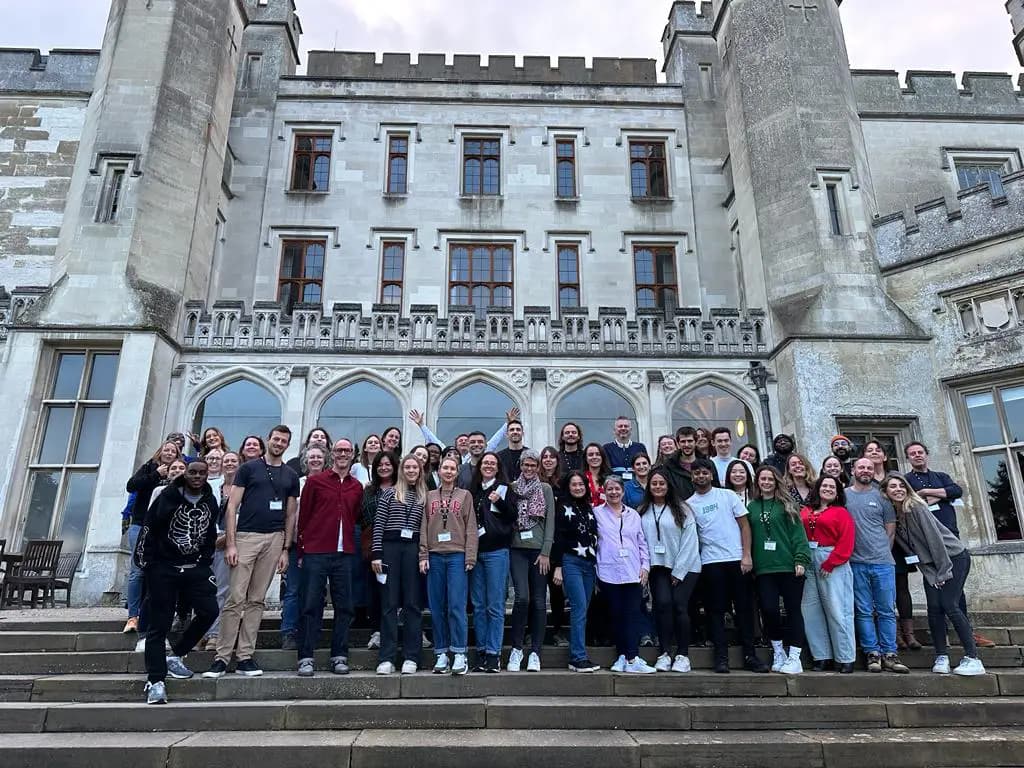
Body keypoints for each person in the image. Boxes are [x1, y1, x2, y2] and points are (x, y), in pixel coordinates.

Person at [204, 425, 300, 679]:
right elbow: (232, 505)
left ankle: (245, 655)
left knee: (256, 600)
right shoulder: (248, 468)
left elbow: (291, 514)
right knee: (235, 598)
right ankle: (222, 657)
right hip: (246, 536)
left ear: (288, 445)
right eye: (276, 439)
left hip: (275, 539)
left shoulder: (290, 475)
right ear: (268, 439)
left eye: (284, 441)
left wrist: (285, 549)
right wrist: (232, 543)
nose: (279, 443)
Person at [882, 473, 986, 676]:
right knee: (934, 609)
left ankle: (973, 658)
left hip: (952, 558)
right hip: (933, 566)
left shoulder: (916, 507)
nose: (898, 489)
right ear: (885, 492)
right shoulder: (896, 516)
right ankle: (941, 656)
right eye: (892, 487)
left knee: (949, 605)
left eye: (901, 486)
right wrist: (930, 574)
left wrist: (943, 572)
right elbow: (914, 552)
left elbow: (935, 541)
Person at [136, 460, 219, 705]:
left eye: (202, 473)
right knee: (159, 625)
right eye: (192, 472)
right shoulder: (167, 497)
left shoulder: (210, 501)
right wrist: (145, 563)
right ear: (185, 473)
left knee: (209, 611)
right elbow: (149, 529)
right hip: (163, 567)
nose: (197, 476)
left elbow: (210, 533)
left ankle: (178, 654)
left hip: (195, 566)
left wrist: (205, 560)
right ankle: (156, 680)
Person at [904, 441, 994, 649]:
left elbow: (956, 490)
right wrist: (932, 496)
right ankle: (941, 635)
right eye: (912, 453)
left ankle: (967, 634)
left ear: (926, 455)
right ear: (908, 458)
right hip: (929, 544)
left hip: (951, 539)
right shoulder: (907, 480)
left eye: (920, 452)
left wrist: (927, 492)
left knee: (956, 590)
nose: (917, 456)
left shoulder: (940, 476)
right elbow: (914, 502)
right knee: (934, 588)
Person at [687, 458, 767, 673]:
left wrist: (747, 555)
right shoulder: (690, 504)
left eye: (704, 472)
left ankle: (750, 656)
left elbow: (744, 525)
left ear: (711, 475)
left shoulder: (728, 496)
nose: (701, 476)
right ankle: (721, 658)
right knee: (715, 611)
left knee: (743, 610)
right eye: (697, 473)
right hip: (711, 563)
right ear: (692, 477)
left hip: (737, 560)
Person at [294, 439, 362, 677]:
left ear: (353, 455)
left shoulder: (356, 486)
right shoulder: (315, 482)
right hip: (316, 551)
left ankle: (339, 655)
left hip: (344, 554)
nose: (343, 454)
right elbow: (304, 517)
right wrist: (301, 550)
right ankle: (305, 657)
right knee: (311, 605)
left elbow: (355, 517)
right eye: (339, 450)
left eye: (347, 450)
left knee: (345, 606)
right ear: (332, 454)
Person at [846, 457, 908, 674]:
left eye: (869, 468)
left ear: (874, 471)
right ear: (853, 470)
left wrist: (881, 551)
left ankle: (890, 654)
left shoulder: (882, 496)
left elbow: (890, 530)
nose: (865, 470)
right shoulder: (844, 495)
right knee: (863, 611)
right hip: (855, 562)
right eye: (861, 467)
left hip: (883, 563)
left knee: (887, 611)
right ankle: (872, 653)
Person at [748, 466, 811, 675]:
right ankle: (778, 651)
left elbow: (798, 535)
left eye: (770, 479)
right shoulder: (752, 507)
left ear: (776, 481)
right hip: (764, 569)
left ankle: (794, 656)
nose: (766, 482)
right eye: (762, 479)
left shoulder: (788, 505)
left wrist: (800, 558)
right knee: (769, 610)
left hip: (789, 565)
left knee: (793, 610)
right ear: (757, 482)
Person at [639, 467, 700, 673]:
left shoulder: (683, 510)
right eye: (654, 483)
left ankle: (683, 654)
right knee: (662, 605)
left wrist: (679, 571)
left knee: (679, 606)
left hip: (686, 565)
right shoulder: (642, 510)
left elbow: (691, 542)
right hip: (658, 566)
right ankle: (665, 652)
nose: (658, 487)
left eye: (661, 483)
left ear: (668, 486)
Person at [371, 454, 428, 675]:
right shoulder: (389, 493)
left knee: (413, 604)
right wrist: (377, 553)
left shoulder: (425, 496)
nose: (412, 470)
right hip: (389, 548)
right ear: (402, 470)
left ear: (420, 471)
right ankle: (387, 657)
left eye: (415, 467)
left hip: (413, 549)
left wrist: (424, 555)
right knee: (389, 603)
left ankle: (411, 657)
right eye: (408, 467)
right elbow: (378, 524)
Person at [594, 475, 655, 674]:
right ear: (604, 491)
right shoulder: (597, 513)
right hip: (608, 571)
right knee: (617, 615)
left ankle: (633, 656)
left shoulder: (633, 515)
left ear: (622, 491)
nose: (613, 493)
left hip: (632, 570)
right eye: (609, 489)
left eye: (617, 489)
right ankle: (622, 656)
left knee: (632, 614)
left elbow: (642, 543)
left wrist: (645, 566)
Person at [421, 456, 477, 675]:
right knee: (437, 608)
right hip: (434, 556)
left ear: (457, 472)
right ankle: (441, 652)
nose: (448, 471)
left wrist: (470, 556)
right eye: (445, 467)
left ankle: (459, 653)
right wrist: (422, 555)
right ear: (439, 471)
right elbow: (424, 526)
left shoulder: (465, 496)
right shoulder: (428, 496)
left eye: (452, 468)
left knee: (456, 606)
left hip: (457, 555)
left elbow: (471, 527)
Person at [123, 440, 182, 634]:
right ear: (160, 451)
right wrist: (156, 474)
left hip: (166, 531)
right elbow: (131, 486)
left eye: (173, 451)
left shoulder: (180, 475)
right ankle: (133, 616)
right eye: (166, 449)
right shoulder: (149, 467)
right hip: (141, 525)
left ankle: (155, 615)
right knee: (138, 571)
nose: (169, 452)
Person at [800, 475, 857, 673]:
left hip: (831, 558)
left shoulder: (841, 512)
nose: (828, 489)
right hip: (809, 558)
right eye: (824, 485)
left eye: (832, 486)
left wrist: (832, 562)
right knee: (811, 610)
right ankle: (821, 656)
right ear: (817, 488)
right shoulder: (806, 510)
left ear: (838, 491)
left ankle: (845, 657)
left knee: (837, 609)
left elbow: (847, 541)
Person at [507, 449, 555, 672]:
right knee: (521, 598)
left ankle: (535, 651)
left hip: (538, 552)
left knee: (538, 601)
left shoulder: (545, 489)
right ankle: (516, 649)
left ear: (538, 467)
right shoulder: (512, 488)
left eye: (533, 465)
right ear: (520, 466)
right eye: (525, 465)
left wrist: (546, 551)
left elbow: (550, 523)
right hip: (517, 549)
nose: (529, 469)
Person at [468, 451, 516, 672]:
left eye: (492, 463)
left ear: (498, 468)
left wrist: (502, 503)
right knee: (478, 606)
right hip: (475, 552)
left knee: (495, 605)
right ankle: (480, 652)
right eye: (485, 463)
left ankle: (493, 654)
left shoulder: (505, 489)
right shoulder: (474, 490)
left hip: (497, 551)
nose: (488, 466)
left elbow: (513, 516)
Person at [551, 471, 601, 672]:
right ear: (568, 487)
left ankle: (579, 654)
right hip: (571, 562)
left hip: (589, 564)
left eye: (581, 484)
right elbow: (559, 537)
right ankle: (578, 657)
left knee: (584, 609)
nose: (578, 488)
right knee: (579, 607)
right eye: (574, 485)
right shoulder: (562, 507)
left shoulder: (588, 507)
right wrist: (559, 566)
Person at [280, 444, 327, 651]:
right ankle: (289, 631)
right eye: (311, 457)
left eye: (319, 457)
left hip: (322, 546)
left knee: (317, 591)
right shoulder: (296, 483)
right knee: (293, 590)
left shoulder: (330, 483)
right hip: (297, 544)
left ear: (325, 460)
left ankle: (313, 631)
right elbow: (289, 514)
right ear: (305, 461)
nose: (315, 460)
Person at [204, 450, 240, 652]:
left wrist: (227, 537)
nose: (229, 464)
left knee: (221, 590)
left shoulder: (243, 488)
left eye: (233, 461)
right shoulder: (211, 486)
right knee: (202, 589)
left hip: (228, 542)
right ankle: (201, 631)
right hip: (206, 542)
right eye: (226, 461)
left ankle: (214, 634)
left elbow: (244, 515)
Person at [362, 452, 398, 651]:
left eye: (388, 464)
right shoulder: (369, 490)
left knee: (398, 589)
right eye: (380, 465)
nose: (384, 467)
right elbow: (363, 516)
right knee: (375, 589)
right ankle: (377, 630)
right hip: (373, 546)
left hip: (397, 545)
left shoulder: (402, 488)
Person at [409, 408, 514, 465]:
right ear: (455, 445)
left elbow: (494, 442)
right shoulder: (450, 454)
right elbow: (434, 440)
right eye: (461, 440)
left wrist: (507, 424)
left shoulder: (477, 455)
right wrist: (421, 425)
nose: (463, 442)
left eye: (466, 441)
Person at [663, 427, 698, 499]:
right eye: (683, 441)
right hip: (679, 507)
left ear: (696, 442)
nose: (686, 445)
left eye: (690, 441)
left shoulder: (706, 463)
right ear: (678, 444)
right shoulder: (669, 465)